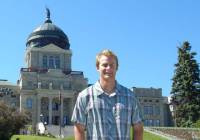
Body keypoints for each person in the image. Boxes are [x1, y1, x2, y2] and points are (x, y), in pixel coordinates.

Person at [71, 49, 143, 140]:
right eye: (105, 65)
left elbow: (138, 128)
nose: (108, 68)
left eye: (112, 65)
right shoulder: (84, 96)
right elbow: (79, 129)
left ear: (117, 68)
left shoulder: (130, 97)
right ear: (97, 67)